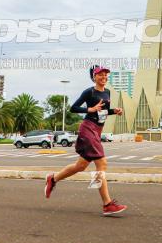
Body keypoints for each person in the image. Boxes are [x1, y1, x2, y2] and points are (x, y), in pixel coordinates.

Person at [44, 65, 127, 215]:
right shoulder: (89, 92)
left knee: (80, 166)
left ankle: (53, 179)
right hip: (88, 128)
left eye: (105, 74)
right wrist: (90, 109)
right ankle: (107, 204)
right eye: (100, 74)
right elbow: (74, 108)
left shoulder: (107, 92)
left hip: (97, 131)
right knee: (101, 163)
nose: (103, 77)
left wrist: (114, 111)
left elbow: (103, 111)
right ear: (94, 77)